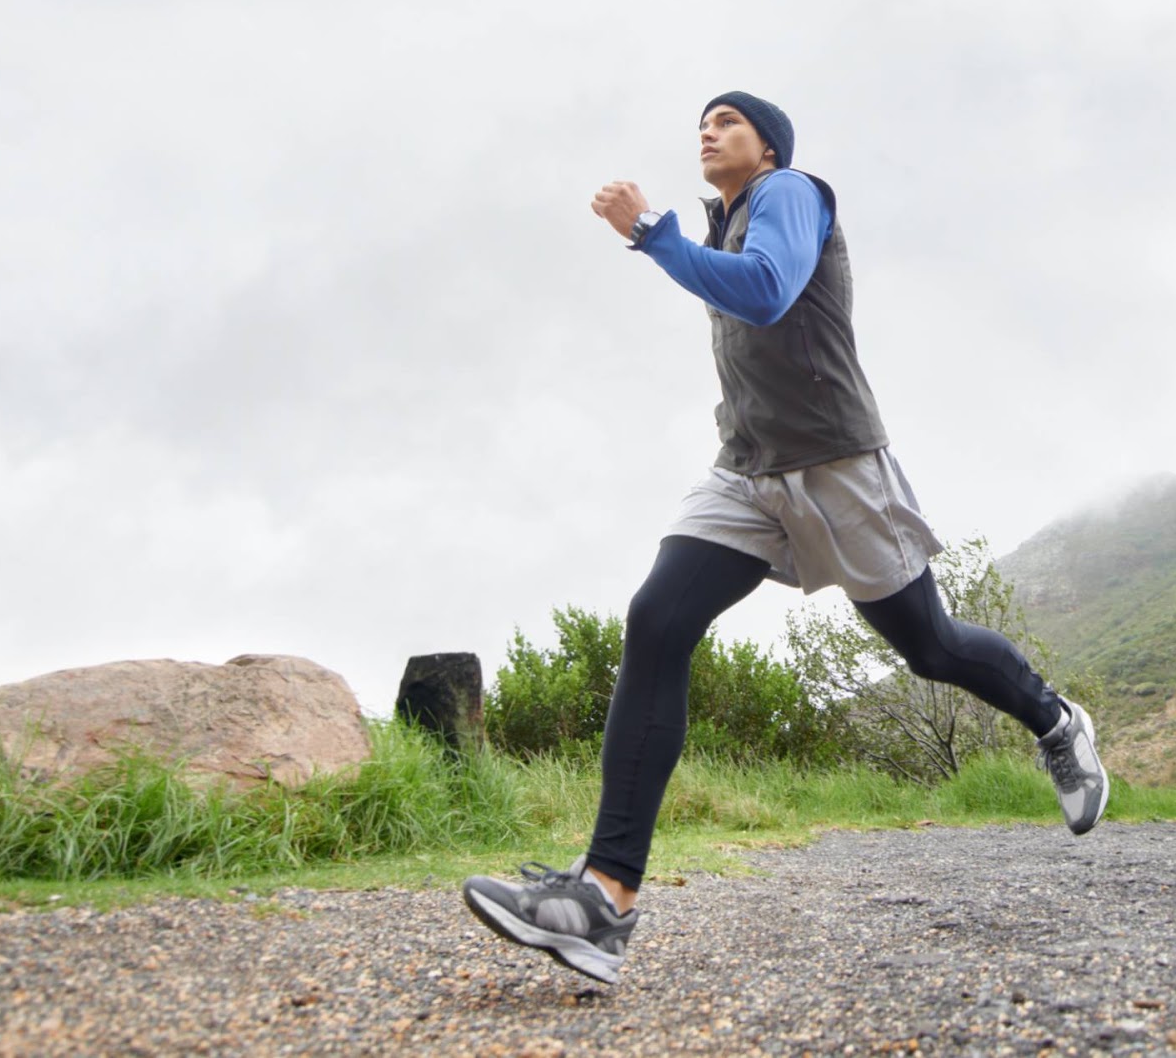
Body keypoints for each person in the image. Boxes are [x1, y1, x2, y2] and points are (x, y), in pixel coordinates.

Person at [461, 91, 1108, 986]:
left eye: (728, 120)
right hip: (747, 469)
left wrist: (649, 230)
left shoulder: (791, 192)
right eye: (702, 122)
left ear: (768, 147)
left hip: (838, 463)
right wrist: (672, 239)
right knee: (656, 620)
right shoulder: (715, 228)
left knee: (930, 646)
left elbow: (769, 293)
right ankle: (604, 900)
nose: (707, 130)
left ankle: (1054, 718)